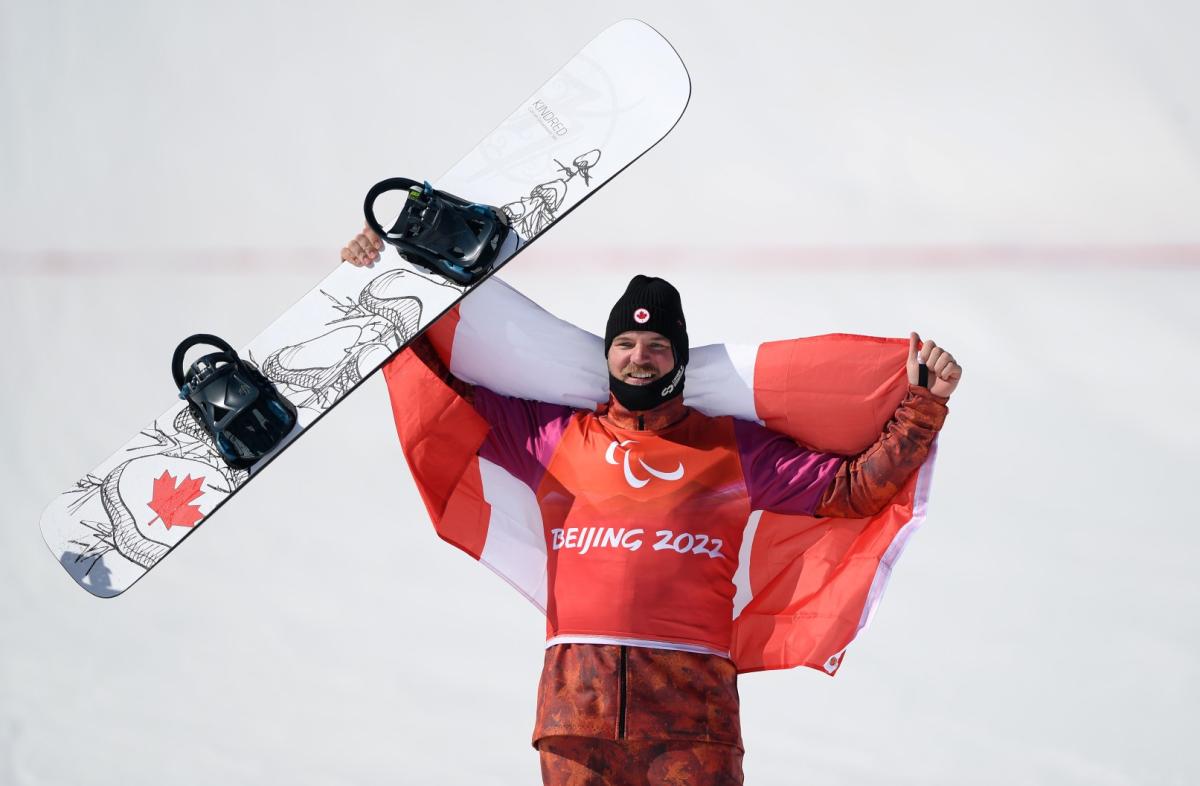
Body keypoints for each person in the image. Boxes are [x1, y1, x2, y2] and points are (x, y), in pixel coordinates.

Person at [342, 227, 961, 785]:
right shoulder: (555, 438)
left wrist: (923, 406)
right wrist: (375, 285)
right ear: (608, 355)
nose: (640, 356)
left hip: (692, 723)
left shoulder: (731, 448)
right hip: (576, 719)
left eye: (658, 345)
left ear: (680, 360)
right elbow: (446, 399)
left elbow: (853, 490)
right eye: (627, 343)